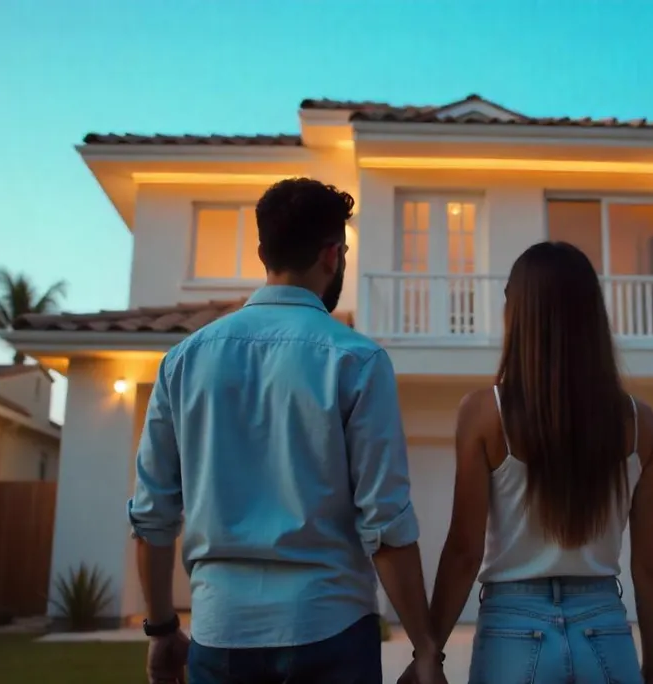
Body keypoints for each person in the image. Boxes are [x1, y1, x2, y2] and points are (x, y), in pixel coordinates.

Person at [128, 178, 447, 684]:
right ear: (332, 255)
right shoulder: (358, 361)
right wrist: (426, 648)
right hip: (332, 629)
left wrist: (163, 630)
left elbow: (151, 517)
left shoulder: (183, 362)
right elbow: (385, 523)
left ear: (262, 252)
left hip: (220, 634)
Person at [402, 241, 653, 684]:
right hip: (605, 628)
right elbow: (649, 565)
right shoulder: (641, 424)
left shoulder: (485, 414)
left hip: (512, 630)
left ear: (518, 313)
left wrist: (429, 652)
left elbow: (464, 551)